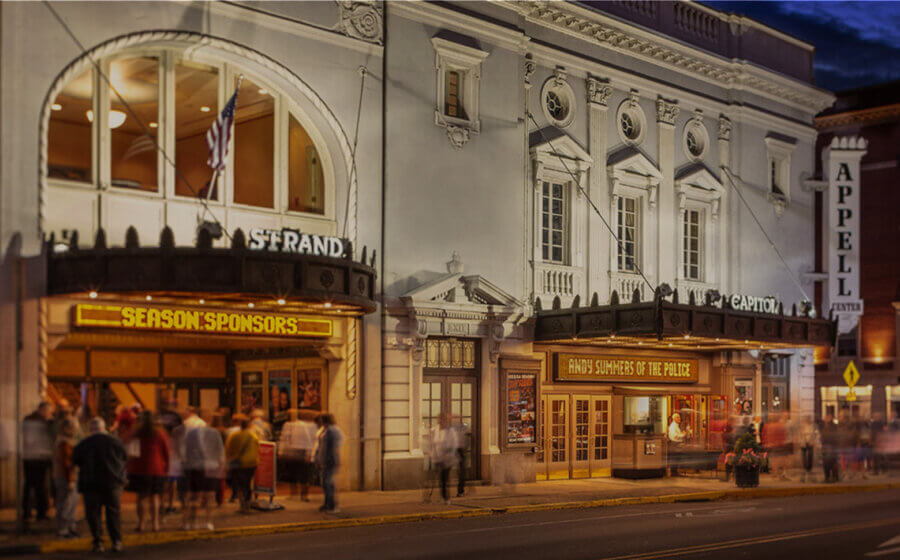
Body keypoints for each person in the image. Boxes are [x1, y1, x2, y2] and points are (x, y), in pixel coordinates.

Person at [72, 417, 127, 553]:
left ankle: (98, 541)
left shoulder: (84, 444)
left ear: (91, 429)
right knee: (113, 512)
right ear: (104, 428)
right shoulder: (115, 442)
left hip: (91, 483)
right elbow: (124, 458)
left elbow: (76, 460)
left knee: (93, 513)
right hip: (112, 482)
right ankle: (116, 541)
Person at [125, 412, 170, 532]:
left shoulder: (136, 433)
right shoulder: (160, 433)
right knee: (155, 496)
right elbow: (167, 452)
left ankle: (141, 524)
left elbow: (131, 452)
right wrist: (167, 468)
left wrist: (128, 467)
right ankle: (155, 524)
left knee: (141, 497)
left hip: (139, 469)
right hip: (157, 468)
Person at [183, 409, 225, 530]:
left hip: (196, 467)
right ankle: (208, 521)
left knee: (194, 496)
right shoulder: (215, 433)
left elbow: (187, 451)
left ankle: (192, 522)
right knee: (209, 496)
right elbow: (220, 452)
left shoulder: (191, 434)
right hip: (210, 467)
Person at [22, 401, 54, 528]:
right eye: (49, 411)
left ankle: (27, 512)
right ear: (43, 410)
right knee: (40, 485)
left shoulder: (27, 419)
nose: (49, 414)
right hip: (40, 457)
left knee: (29, 485)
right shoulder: (42, 422)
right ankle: (41, 512)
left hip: (28, 457)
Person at [278, 409, 317, 501]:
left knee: (293, 475)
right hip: (304, 453)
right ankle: (304, 495)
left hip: (293, 452)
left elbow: (284, 438)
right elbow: (312, 440)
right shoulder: (312, 426)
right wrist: (310, 453)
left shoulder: (290, 425)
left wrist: (281, 451)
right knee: (304, 475)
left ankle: (294, 494)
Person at [225, 414, 259, 513]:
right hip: (252, 463)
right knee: (248, 483)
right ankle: (248, 505)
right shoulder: (253, 435)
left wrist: (229, 459)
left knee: (240, 484)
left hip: (239, 463)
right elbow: (257, 447)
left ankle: (242, 505)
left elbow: (228, 448)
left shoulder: (234, 435)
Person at [52, 418, 79, 538]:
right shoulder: (65, 444)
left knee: (66, 503)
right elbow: (67, 464)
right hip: (66, 478)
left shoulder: (62, 442)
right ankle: (64, 529)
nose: (73, 430)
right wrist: (71, 480)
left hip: (62, 477)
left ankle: (68, 528)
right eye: (71, 428)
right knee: (67, 504)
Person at [313, 413, 343, 513]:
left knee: (328, 482)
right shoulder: (324, 430)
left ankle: (332, 505)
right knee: (324, 482)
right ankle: (327, 503)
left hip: (330, 459)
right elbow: (320, 446)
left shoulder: (332, 430)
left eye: (322, 419)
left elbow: (332, 447)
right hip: (323, 459)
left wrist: (328, 459)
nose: (320, 421)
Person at [428, 415, 459, 505]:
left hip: (447, 459)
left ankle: (446, 497)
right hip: (437, 458)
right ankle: (443, 496)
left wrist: (448, 453)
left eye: (443, 420)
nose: (442, 422)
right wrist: (431, 453)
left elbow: (454, 444)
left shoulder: (451, 431)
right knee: (441, 479)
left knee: (444, 478)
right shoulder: (434, 430)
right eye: (440, 420)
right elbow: (432, 443)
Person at [821, 413, 840, 483]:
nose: (826, 419)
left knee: (831, 462)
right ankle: (828, 477)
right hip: (826, 446)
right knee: (827, 463)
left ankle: (833, 477)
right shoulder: (825, 426)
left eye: (827, 418)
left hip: (831, 446)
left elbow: (834, 437)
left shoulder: (833, 427)